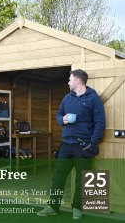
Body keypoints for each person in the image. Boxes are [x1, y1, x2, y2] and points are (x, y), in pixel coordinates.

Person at [37, 69, 105, 219]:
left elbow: (100, 123)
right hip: (66, 145)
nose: (68, 82)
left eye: (69, 80)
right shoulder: (67, 98)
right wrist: (63, 120)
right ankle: (53, 207)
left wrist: (92, 143)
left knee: (82, 179)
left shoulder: (94, 99)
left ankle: (77, 209)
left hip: (83, 146)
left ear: (78, 81)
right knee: (58, 177)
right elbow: (59, 115)